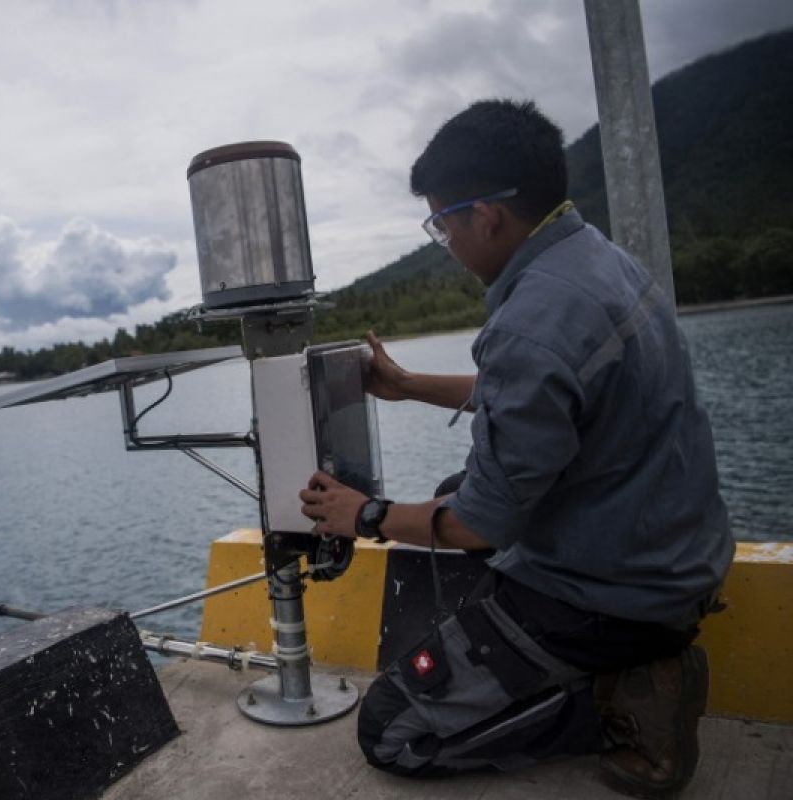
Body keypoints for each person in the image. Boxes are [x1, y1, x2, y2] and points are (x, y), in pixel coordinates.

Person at [298, 99, 734, 798]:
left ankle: (621, 700)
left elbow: (482, 523)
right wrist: (408, 385)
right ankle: (599, 660)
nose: (446, 239)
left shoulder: (532, 319)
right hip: (668, 554)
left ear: (486, 215)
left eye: (442, 224)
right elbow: (540, 393)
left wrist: (366, 515)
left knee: (392, 733)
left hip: (618, 594)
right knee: (451, 487)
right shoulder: (594, 260)